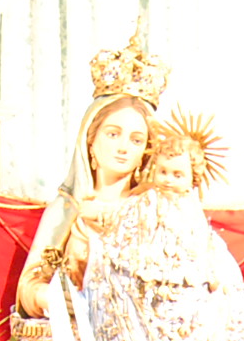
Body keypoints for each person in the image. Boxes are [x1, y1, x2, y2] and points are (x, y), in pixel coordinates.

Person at [83, 113, 244, 341]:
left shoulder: (192, 211)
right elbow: (116, 231)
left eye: (177, 174)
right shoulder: (142, 202)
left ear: (193, 178)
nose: (167, 180)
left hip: (184, 296)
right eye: (162, 171)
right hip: (141, 288)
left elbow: (203, 251)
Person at [17, 91, 155, 318]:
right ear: (90, 141)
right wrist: (51, 298)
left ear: (144, 152)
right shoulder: (66, 209)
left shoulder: (151, 211)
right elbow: (29, 285)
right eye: (113, 134)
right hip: (75, 329)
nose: (124, 147)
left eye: (136, 140)